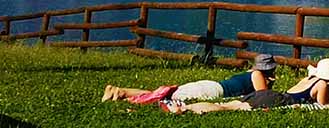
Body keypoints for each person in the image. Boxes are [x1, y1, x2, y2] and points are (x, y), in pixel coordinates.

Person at [162, 58, 329, 114]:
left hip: (272, 95)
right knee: (225, 108)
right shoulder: (322, 84)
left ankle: (182, 107)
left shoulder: (308, 80)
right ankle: (184, 109)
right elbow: (323, 105)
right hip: (275, 100)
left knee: (227, 105)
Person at [102, 53, 277, 102]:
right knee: (166, 97)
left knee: (165, 94)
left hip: (210, 85)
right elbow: (263, 97)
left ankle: (121, 91)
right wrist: (271, 86)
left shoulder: (250, 73)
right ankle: (121, 93)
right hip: (213, 91)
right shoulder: (257, 75)